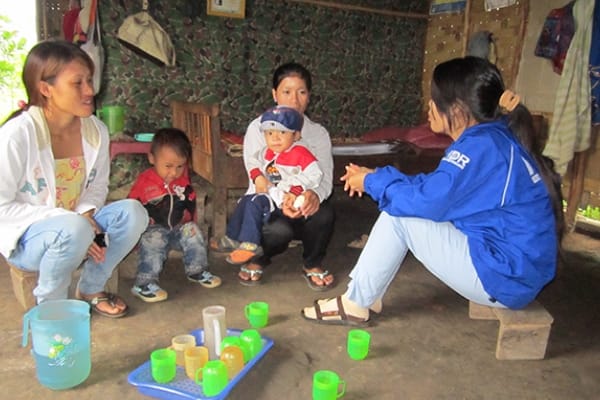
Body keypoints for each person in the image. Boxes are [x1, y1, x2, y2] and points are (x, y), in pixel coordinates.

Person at [301, 56, 564, 325]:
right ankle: (365, 294)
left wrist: (370, 183)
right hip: (516, 269)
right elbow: (436, 187)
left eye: (436, 99)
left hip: (505, 277)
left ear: (459, 109)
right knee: (403, 203)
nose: (430, 106)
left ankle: (356, 303)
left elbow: (427, 200)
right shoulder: (494, 138)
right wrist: (376, 176)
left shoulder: (481, 146)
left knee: (400, 214)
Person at [0, 40, 148, 318]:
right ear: (46, 89)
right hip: (27, 241)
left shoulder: (96, 131)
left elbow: (97, 186)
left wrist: (87, 213)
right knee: (73, 227)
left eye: (89, 80)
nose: (90, 91)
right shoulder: (17, 135)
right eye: (77, 83)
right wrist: (73, 222)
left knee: (133, 213)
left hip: (77, 229)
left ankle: (91, 289)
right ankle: (52, 309)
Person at [211, 62, 336, 290]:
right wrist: (283, 199)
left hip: (302, 202)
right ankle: (258, 258)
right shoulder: (259, 128)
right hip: (272, 199)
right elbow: (258, 177)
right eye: (287, 92)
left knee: (324, 214)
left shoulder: (317, 134)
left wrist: (313, 196)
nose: (295, 100)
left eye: (302, 92)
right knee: (278, 230)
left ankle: (312, 263)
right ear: (274, 94)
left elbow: (324, 179)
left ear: (309, 96)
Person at [216, 106, 323, 277]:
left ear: (296, 135)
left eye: (282, 133)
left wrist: (296, 190)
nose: (275, 138)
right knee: (246, 201)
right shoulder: (267, 152)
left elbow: (316, 174)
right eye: (269, 133)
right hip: (272, 194)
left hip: (286, 199)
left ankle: (250, 244)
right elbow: (254, 165)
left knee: (254, 202)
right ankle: (232, 237)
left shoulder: (301, 153)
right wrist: (258, 176)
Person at [128, 128, 221, 302]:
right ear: (152, 159)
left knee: (192, 230)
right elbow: (130, 209)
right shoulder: (144, 182)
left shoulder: (183, 182)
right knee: (155, 238)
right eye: (168, 166)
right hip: (152, 231)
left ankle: (196, 270)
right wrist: (133, 237)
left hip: (176, 230)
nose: (174, 173)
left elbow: (190, 204)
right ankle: (144, 283)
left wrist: (189, 222)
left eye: (180, 166)